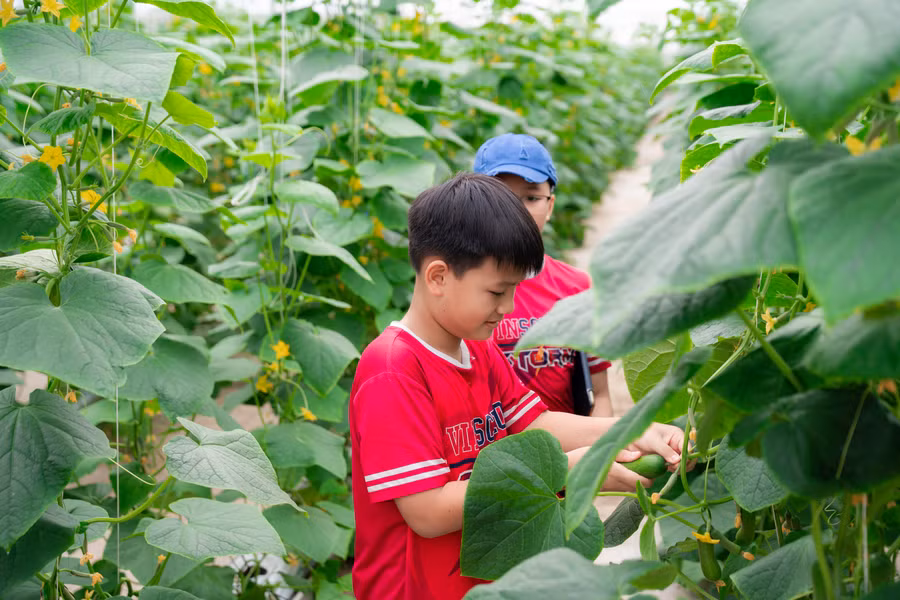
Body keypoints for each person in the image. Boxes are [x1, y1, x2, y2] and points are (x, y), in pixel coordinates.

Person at [348, 173, 689, 600]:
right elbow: (428, 511)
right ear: (437, 276)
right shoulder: (393, 370)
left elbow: (535, 423)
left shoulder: (479, 349)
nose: (507, 308)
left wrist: (631, 431)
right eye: (497, 291)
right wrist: (562, 471)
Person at [474, 133, 614, 416]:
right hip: (490, 456)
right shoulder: (461, 287)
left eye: (531, 197)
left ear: (549, 206)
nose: (516, 210)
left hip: (568, 453)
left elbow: (600, 395)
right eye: (502, 197)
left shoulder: (576, 287)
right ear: (475, 205)